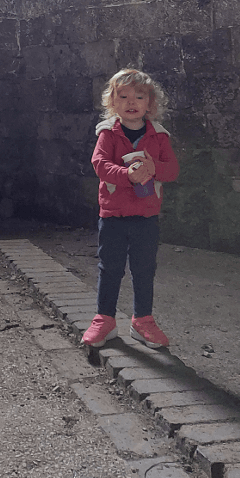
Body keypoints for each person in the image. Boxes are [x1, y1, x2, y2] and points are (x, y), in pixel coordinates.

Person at [82, 68, 179, 350]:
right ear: (112, 102)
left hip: (146, 215)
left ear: (151, 103)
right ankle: (104, 318)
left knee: (144, 268)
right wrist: (127, 175)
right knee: (109, 268)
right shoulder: (108, 134)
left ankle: (143, 320)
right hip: (113, 215)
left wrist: (153, 169)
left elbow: (171, 170)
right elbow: (99, 165)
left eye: (139, 96)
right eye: (122, 96)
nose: (131, 101)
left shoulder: (159, 137)